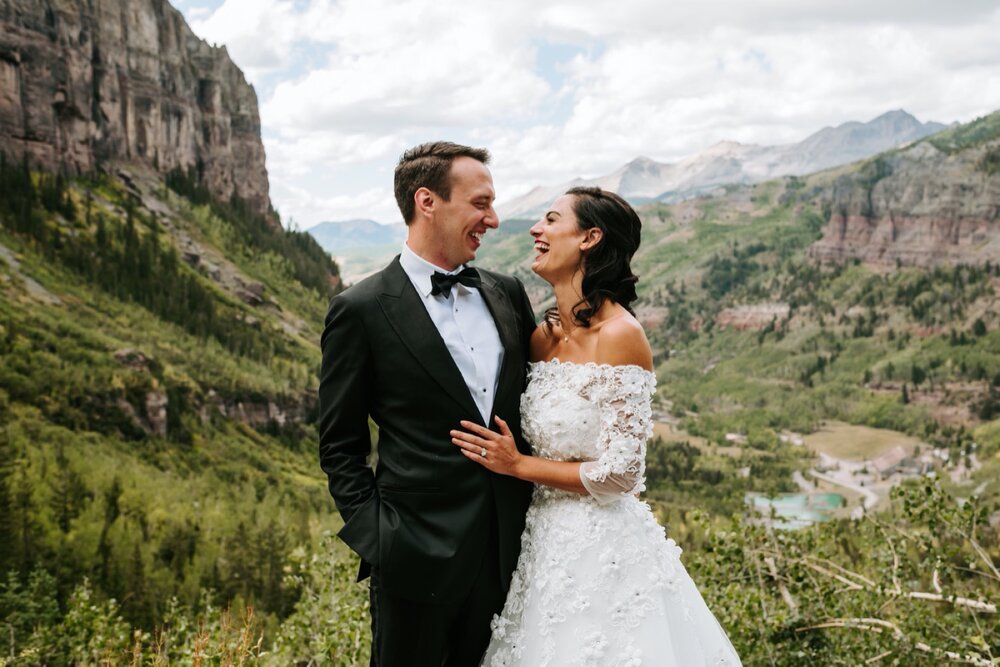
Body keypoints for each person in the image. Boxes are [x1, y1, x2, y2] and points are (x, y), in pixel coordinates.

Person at [452, 186, 742, 665]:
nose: (535, 230)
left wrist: (518, 465)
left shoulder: (621, 335)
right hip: (539, 545)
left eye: (550, 220)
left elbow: (622, 474)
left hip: (602, 550)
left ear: (589, 237)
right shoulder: (542, 338)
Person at [318, 142, 536, 666]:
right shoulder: (361, 309)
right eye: (480, 204)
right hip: (414, 560)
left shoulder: (507, 293)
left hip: (514, 553)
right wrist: (382, 540)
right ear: (427, 201)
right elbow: (340, 445)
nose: (495, 219)